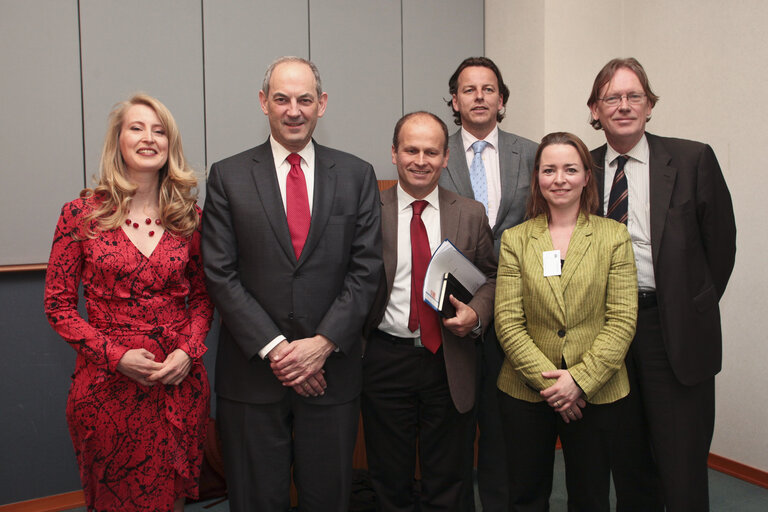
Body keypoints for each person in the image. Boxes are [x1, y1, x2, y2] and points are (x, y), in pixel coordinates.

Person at [201, 56, 382, 512]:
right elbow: (220, 272)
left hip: (331, 375)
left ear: (322, 104)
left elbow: (366, 269)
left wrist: (321, 345)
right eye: (282, 99)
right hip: (253, 377)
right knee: (256, 500)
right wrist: (279, 350)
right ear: (264, 102)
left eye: (304, 99)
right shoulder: (229, 175)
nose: (293, 110)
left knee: (327, 499)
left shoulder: (357, 175)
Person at [44, 93, 213, 512]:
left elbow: (205, 299)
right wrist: (117, 357)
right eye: (137, 128)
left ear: (170, 145)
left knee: (169, 500)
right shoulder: (80, 215)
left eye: (160, 131)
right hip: (108, 386)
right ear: (117, 140)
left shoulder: (190, 218)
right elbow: (58, 306)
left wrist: (188, 354)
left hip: (177, 381)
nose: (149, 138)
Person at [588, 57, 737, 511]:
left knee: (682, 465)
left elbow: (720, 249)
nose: (624, 105)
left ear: (650, 106)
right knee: (628, 463)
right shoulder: (581, 169)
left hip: (670, 330)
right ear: (595, 110)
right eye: (612, 97)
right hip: (607, 330)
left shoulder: (692, 159)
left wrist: (687, 306)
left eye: (635, 96)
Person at [495, 132, 638, 511]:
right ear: (537, 178)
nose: (560, 179)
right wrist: (553, 385)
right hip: (527, 389)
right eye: (550, 170)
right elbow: (508, 321)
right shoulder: (516, 239)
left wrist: (579, 381)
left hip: (598, 389)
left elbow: (622, 319)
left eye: (570, 169)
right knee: (525, 495)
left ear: (587, 177)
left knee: (591, 496)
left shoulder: (614, 236)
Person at [362, 111, 497, 512]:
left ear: (446, 158)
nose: (421, 160)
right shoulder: (369, 210)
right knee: (389, 477)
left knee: (450, 477)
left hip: (449, 358)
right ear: (393, 153)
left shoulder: (470, 213)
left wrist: (476, 315)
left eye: (431, 151)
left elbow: (492, 278)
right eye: (411, 150)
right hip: (386, 357)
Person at [439, 56, 537, 511]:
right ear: (454, 101)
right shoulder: (436, 152)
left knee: (505, 428)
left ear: (502, 100)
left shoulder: (532, 154)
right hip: (452, 308)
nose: (479, 96)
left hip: (517, 310)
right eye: (468, 89)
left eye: (488, 89)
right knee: (453, 426)